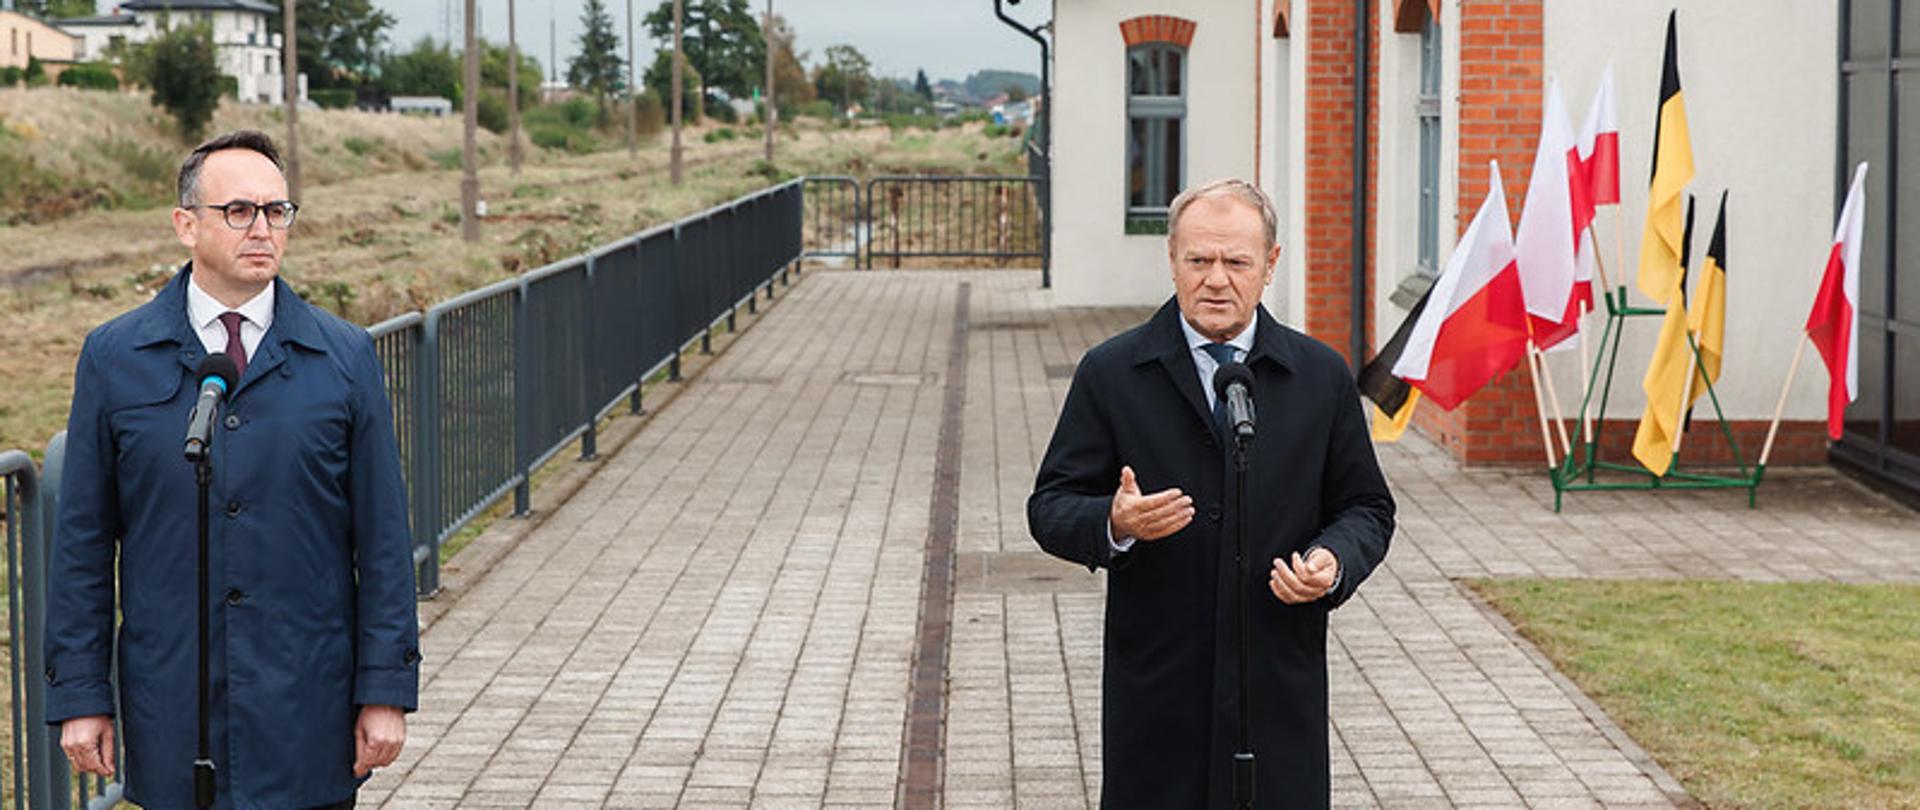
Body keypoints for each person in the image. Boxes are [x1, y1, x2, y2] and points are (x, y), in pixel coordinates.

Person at [44, 130, 421, 809]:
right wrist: (80, 696)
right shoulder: (115, 356)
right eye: (239, 211)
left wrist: (385, 691)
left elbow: (384, 541)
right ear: (185, 225)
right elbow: (83, 546)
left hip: (308, 708)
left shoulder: (343, 357)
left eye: (277, 211)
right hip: (173, 711)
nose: (263, 230)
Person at [1028, 178, 1395, 808]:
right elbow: (1051, 505)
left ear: (1271, 264)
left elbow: (1366, 507)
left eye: (1235, 262)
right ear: (1172, 259)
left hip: (1278, 684)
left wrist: (1333, 563)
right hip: (1159, 689)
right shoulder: (1113, 372)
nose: (1216, 279)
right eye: (1198, 260)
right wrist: (1114, 522)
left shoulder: (1320, 376)